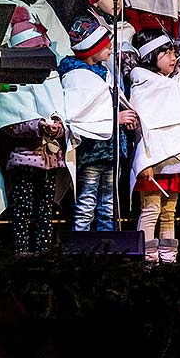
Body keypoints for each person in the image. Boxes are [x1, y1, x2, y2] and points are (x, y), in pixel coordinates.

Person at [0, 17, 74, 255]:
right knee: (23, 206)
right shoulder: (11, 84)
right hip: (24, 158)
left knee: (46, 207)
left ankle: (43, 249)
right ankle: (22, 250)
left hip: (51, 158)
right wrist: (39, 126)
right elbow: (10, 124)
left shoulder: (49, 80)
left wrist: (58, 127)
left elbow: (61, 113)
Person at [60, 17, 139, 232]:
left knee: (108, 204)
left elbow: (111, 103)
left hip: (111, 150)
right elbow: (80, 115)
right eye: (105, 44)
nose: (110, 48)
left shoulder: (104, 72)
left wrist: (127, 115)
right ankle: (81, 248)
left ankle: (107, 248)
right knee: (87, 201)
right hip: (92, 152)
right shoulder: (77, 77)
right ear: (91, 48)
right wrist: (116, 119)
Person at [128, 29, 180, 263]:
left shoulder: (174, 84)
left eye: (173, 52)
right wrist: (144, 162)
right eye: (166, 53)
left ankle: (169, 258)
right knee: (151, 210)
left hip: (176, 161)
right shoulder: (143, 85)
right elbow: (142, 130)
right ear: (152, 55)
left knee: (169, 212)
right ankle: (147, 257)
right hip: (154, 161)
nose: (173, 58)